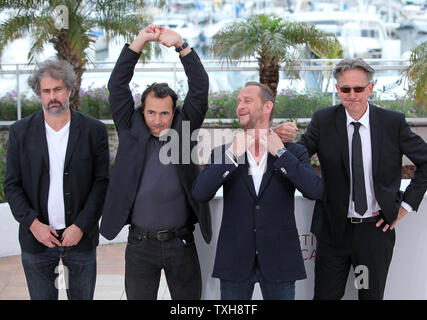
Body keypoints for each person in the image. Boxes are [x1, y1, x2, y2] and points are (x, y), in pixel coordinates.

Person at [274, 58, 427, 300]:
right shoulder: (323, 121)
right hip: (333, 233)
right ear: (337, 90)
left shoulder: (391, 123)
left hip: (373, 235)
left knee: (369, 296)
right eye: (346, 89)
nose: (352, 95)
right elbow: (298, 155)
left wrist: (404, 207)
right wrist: (276, 137)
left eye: (358, 89)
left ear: (371, 88)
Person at [99, 25, 211, 300]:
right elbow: (117, 84)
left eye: (164, 113)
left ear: (175, 113)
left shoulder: (184, 128)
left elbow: (200, 87)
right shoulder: (129, 126)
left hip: (181, 243)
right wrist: (140, 41)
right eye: (151, 112)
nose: (158, 120)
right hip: (140, 245)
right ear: (142, 109)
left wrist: (182, 46)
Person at [191, 82, 324, 300]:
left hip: (280, 259)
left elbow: (314, 190)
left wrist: (280, 152)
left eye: (247, 100)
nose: (240, 106)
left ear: (267, 107)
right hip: (234, 260)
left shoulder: (293, 152)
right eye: (238, 101)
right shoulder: (224, 153)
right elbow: (200, 193)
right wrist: (232, 154)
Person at [3, 59, 110, 300]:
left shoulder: (94, 131)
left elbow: (101, 183)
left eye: (58, 89)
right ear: (39, 94)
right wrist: (33, 224)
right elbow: (11, 184)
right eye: (46, 91)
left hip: (80, 240)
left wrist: (81, 225)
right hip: (38, 240)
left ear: (70, 90)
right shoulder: (21, 132)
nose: (53, 96)